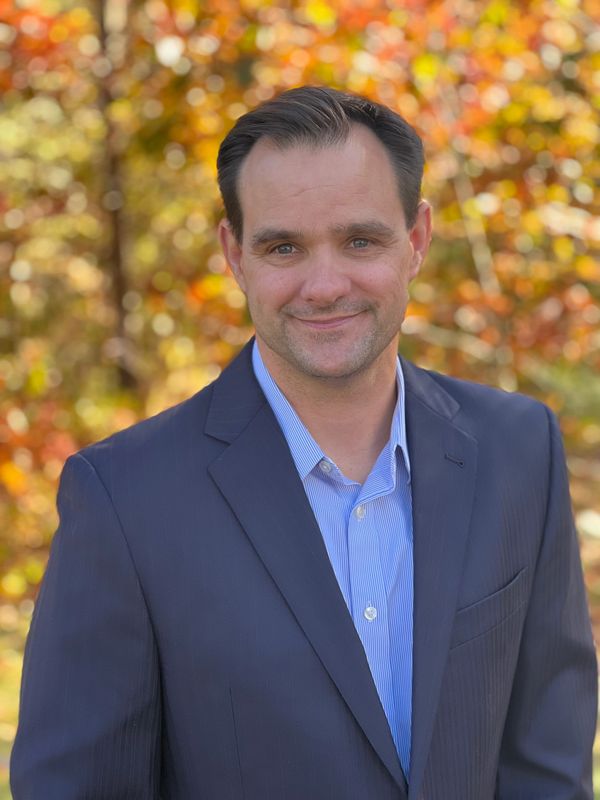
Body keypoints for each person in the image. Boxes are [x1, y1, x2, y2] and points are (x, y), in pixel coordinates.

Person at [11, 86, 596, 799]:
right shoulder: (126, 500)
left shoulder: (518, 450)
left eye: (360, 240)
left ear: (415, 241)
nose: (325, 285)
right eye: (284, 246)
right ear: (235, 256)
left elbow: (548, 761)